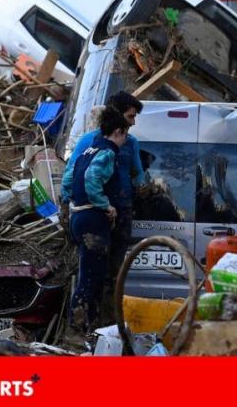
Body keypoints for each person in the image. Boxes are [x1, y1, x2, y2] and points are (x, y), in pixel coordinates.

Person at [60, 91, 146, 323]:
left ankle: (107, 325)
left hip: (120, 211)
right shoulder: (92, 143)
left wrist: (146, 189)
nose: (133, 123)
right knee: (92, 271)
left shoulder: (131, 143)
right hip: (97, 213)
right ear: (116, 119)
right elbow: (75, 176)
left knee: (113, 273)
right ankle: (84, 324)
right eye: (130, 117)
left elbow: (138, 175)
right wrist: (70, 205)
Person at [67, 108, 130, 332]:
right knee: (91, 279)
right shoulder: (108, 152)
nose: (126, 140)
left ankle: (87, 329)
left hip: (78, 217)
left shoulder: (87, 150)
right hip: (94, 220)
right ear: (117, 132)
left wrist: (72, 200)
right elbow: (92, 176)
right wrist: (106, 205)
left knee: (89, 273)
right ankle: (78, 330)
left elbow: (68, 178)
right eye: (126, 134)